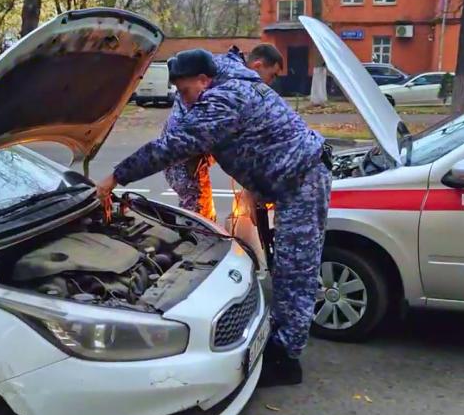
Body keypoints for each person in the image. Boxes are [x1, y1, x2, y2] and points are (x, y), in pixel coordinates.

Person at [96, 48, 332, 387]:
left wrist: (115, 177)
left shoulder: (223, 100)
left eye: (185, 90)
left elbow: (169, 148)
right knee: (286, 264)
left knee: (297, 269)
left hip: (301, 178)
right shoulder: (224, 79)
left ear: (205, 80)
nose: (182, 99)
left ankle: (286, 361)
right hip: (285, 177)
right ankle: (280, 333)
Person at [162, 44, 285, 222]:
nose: (271, 83)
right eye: (272, 75)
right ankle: (193, 243)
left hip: (191, 149)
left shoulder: (230, 70)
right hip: (183, 153)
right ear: (257, 66)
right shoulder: (236, 77)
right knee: (198, 214)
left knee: (199, 211)